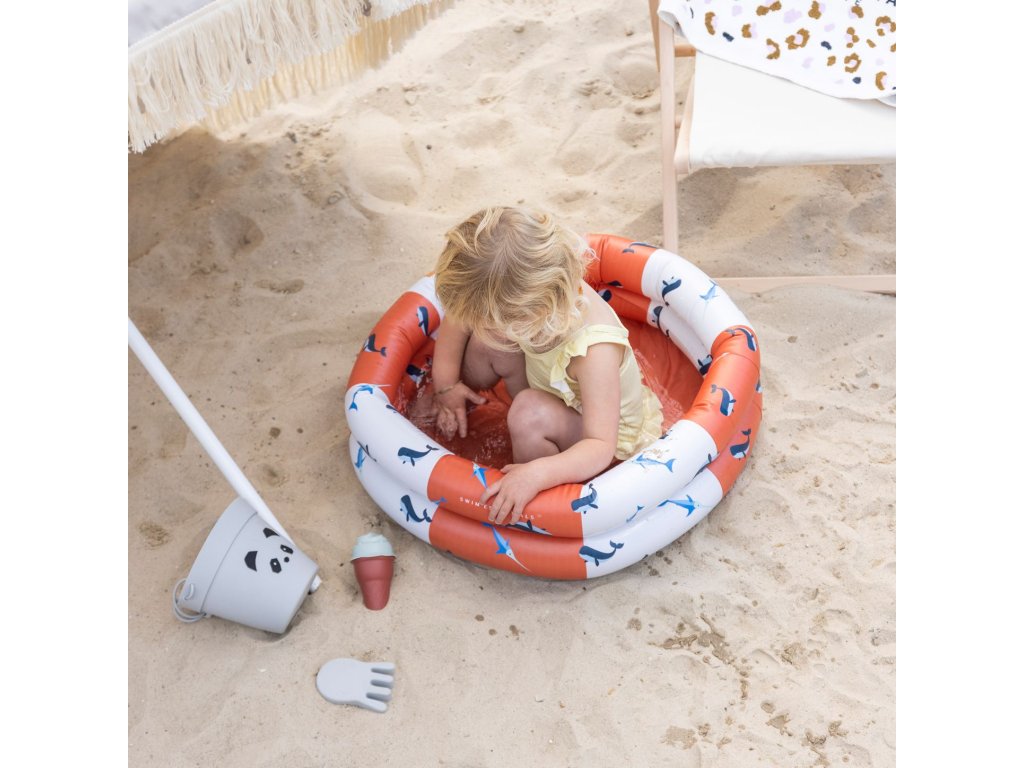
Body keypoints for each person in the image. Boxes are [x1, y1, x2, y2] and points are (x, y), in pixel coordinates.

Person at [432, 206, 663, 526]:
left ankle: (537, 500)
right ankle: (461, 402)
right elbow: (459, 318)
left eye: (492, 322)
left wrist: (536, 474)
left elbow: (600, 446)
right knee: (488, 342)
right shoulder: (530, 297)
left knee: (528, 413)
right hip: (550, 388)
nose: (473, 325)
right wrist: (445, 386)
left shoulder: (593, 351)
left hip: (600, 441)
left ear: (535, 314)